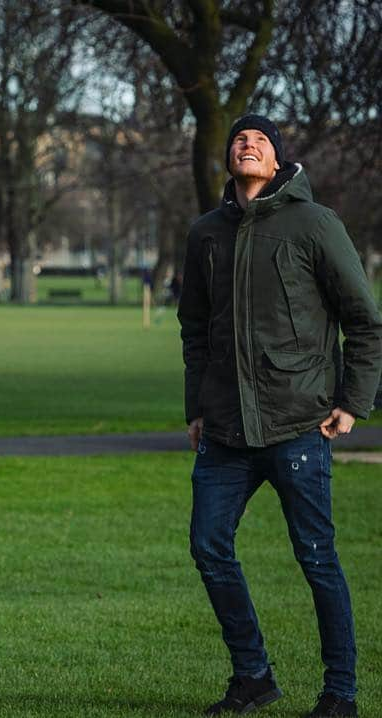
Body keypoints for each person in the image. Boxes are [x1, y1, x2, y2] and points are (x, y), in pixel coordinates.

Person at [178, 114, 382, 717]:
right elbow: (194, 328)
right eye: (240, 137)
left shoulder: (315, 224)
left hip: (299, 425)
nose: (248, 143)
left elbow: (364, 320)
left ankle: (340, 694)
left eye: (260, 139)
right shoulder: (205, 234)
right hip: (223, 432)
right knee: (208, 547)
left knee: (316, 558)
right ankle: (253, 678)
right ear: (230, 159)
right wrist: (195, 406)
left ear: (277, 160)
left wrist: (352, 402)